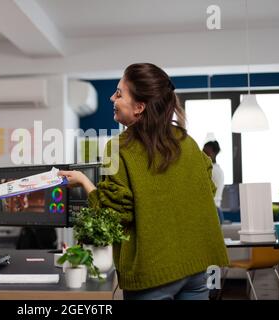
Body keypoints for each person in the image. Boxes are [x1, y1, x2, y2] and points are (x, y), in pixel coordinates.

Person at [59, 63, 229, 300]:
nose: (112, 97)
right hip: (196, 268)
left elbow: (114, 214)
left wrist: (84, 182)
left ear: (139, 107)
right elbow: (206, 187)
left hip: (152, 273)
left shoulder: (117, 147)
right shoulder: (186, 141)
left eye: (119, 93)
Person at [203, 140, 225, 224]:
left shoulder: (212, 170)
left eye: (205, 151)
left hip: (213, 211)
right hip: (216, 210)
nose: (202, 154)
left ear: (212, 153)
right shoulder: (218, 169)